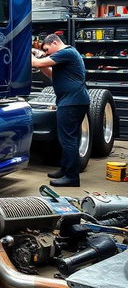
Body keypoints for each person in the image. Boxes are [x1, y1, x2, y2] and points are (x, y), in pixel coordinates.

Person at [31, 33, 90, 187]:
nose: (47, 52)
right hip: (72, 101)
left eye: (47, 49)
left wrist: (27, 52)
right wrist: (39, 61)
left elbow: (37, 64)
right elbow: (50, 73)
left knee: (68, 139)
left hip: (72, 102)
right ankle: (65, 170)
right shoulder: (65, 57)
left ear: (55, 43)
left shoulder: (67, 52)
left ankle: (71, 177)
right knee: (68, 138)